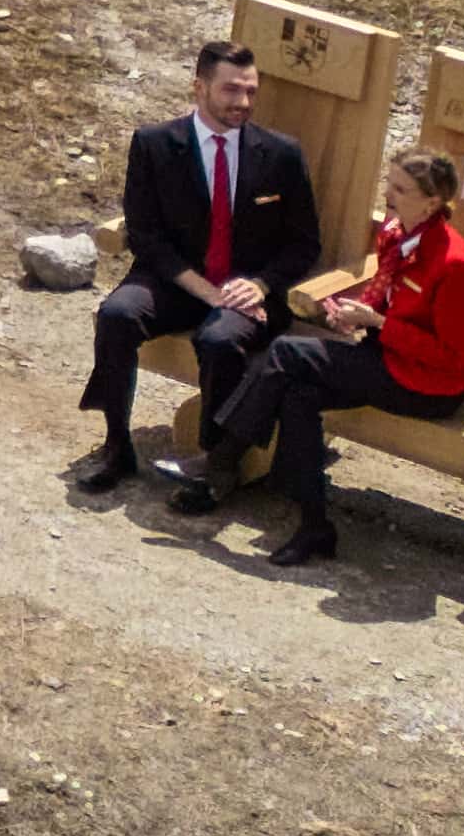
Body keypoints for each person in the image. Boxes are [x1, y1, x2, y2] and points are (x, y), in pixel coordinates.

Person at [201, 143, 464, 562]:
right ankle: (314, 526)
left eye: (401, 189)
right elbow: (386, 296)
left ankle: (219, 461)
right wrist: (357, 314)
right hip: (384, 358)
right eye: (389, 183)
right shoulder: (397, 233)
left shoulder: (457, 266)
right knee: (298, 395)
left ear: (432, 202)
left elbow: (459, 361)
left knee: (286, 352)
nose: (388, 195)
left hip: (429, 386)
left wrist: (379, 325)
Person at [79, 34, 323, 494]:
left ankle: (216, 465)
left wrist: (263, 285)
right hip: (175, 281)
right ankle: (116, 445)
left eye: (251, 90)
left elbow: (304, 244)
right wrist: (204, 291)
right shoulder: (153, 145)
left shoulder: (282, 155)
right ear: (200, 88)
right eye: (232, 89)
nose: (244, 101)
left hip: (244, 292)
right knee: (117, 315)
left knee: (219, 339)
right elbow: (146, 237)